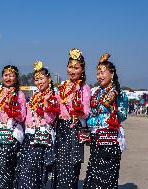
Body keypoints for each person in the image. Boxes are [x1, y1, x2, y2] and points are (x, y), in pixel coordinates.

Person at [83, 53, 128, 189]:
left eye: (103, 72)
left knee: (106, 176)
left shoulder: (119, 92)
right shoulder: (96, 92)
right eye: (98, 73)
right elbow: (91, 113)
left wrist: (112, 108)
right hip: (96, 138)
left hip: (110, 139)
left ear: (112, 74)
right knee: (94, 173)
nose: (99, 76)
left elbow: (123, 115)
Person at [15, 61, 60, 189]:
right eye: (36, 79)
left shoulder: (54, 97)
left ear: (49, 78)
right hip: (30, 137)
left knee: (33, 171)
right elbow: (27, 118)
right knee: (24, 169)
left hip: (42, 138)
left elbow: (50, 119)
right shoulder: (34, 97)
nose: (39, 82)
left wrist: (46, 104)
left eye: (41, 78)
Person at [54, 48, 91, 189]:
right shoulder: (63, 86)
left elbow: (86, 111)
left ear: (82, 69)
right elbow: (57, 105)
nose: (72, 70)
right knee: (60, 164)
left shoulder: (84, 88)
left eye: (76, 68)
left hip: (74, 129)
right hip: (61, 128)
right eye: (70, 67)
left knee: (70, 166)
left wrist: (78, 110)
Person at [0, 65, 27, 189]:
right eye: (6, 75)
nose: (8, 78)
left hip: (13, 132)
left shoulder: (20, 94)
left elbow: (22, 117)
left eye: (11, 75)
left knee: (6, 163)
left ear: (16, 78)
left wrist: (13, 110)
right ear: (2, 77)